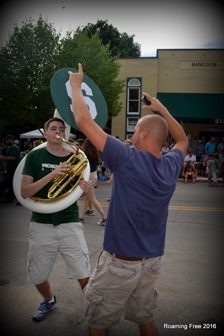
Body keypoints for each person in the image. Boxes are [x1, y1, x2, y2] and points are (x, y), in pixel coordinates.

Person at [68, 64, 188, 336]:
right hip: (151, 262)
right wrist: (161, 110)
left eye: (135, 130)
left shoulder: (127, 158)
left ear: (144, 135)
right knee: (145, 319)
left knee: (98, 324)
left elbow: (83, 121)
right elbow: (182, 141)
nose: (132, 134)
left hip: (120, 264)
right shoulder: (170, 166)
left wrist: (76, 85)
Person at [21, 117, 92, 322]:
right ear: (46, 134)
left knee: (82, 270)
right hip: (41, 222)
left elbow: (84, 193)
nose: (58, 131)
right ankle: (49, 299)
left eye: (62, 128)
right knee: (37, 275)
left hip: (69, 219)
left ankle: (94, 308)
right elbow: (25, 191)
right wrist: (53, 175)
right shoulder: (34, 157)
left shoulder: (75, 158)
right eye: (53, 128)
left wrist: (86, 190)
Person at [79, 138, 107, 225]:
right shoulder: (95, 153)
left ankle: (104, 217)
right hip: (93, 175)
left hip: (88, 176)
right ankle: (81, 217)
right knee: (87, 198)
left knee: (91, 198)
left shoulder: (84, 153)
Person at [0, 134, 20, 202]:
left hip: (13, 168)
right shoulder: (12, 147)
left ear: (10, 139)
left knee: (9, 183)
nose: (6, 141)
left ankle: (9, 198)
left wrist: (2, 159)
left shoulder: (13, 147)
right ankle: (10, 198)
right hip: (12, 168)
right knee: (10, 183)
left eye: (7, 140)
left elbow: (12, 157)